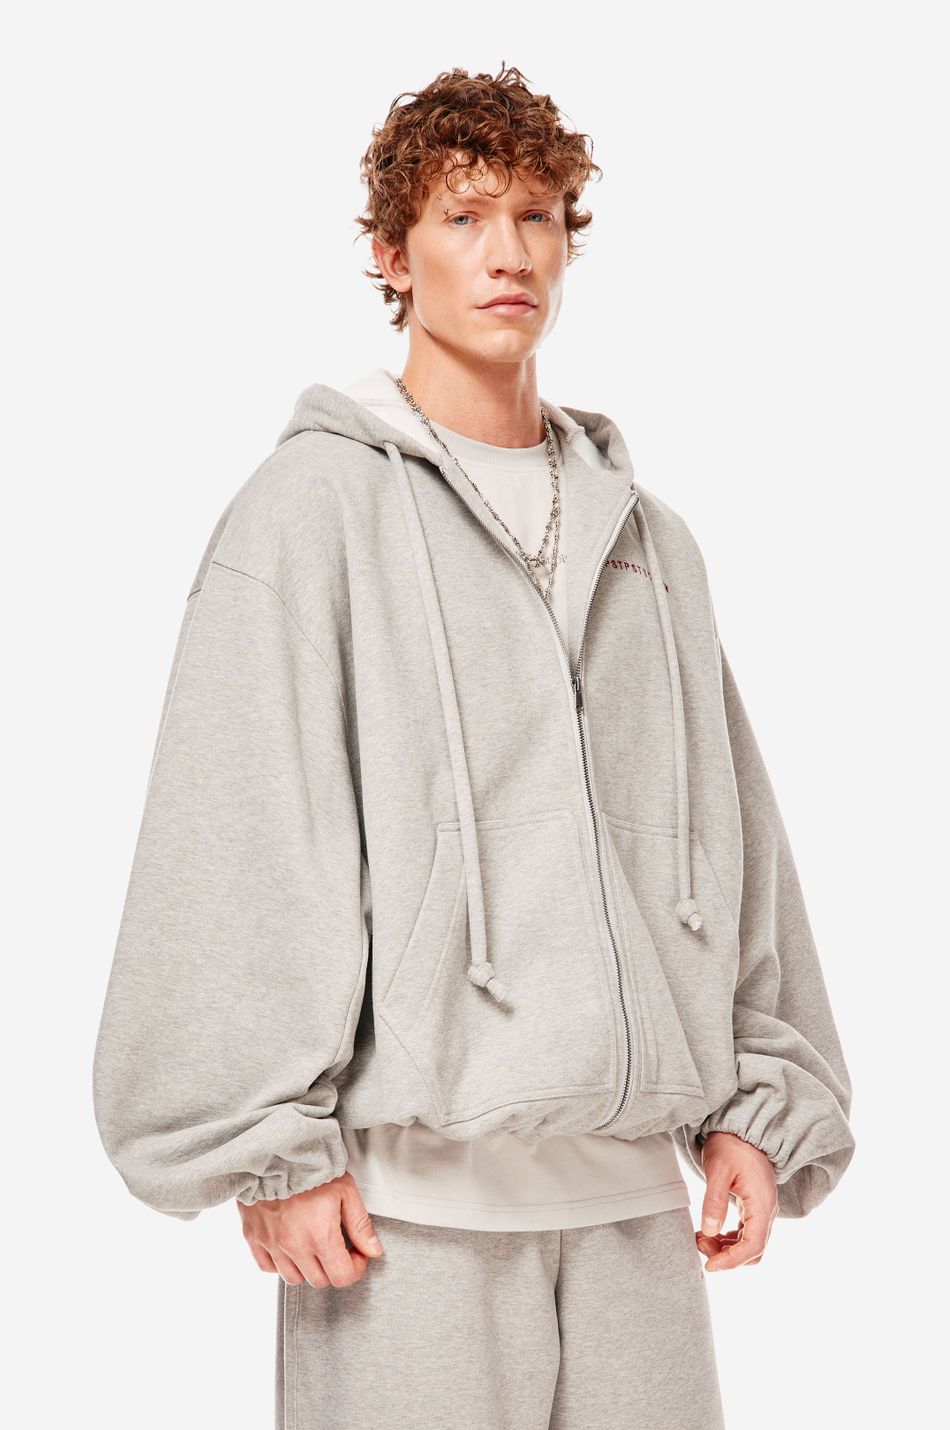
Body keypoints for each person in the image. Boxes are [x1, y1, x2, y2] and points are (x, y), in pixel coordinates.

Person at [92, 62, 856, 1430]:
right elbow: (242, 829)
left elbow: (729, 839)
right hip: (403, 1223)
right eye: (463, 217)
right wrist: (266, 1145)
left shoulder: (652, 545)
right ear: (393, 254)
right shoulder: (312, 513)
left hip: (634, 1218)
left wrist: (759, 1098)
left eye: (537, 216)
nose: (509, 253)